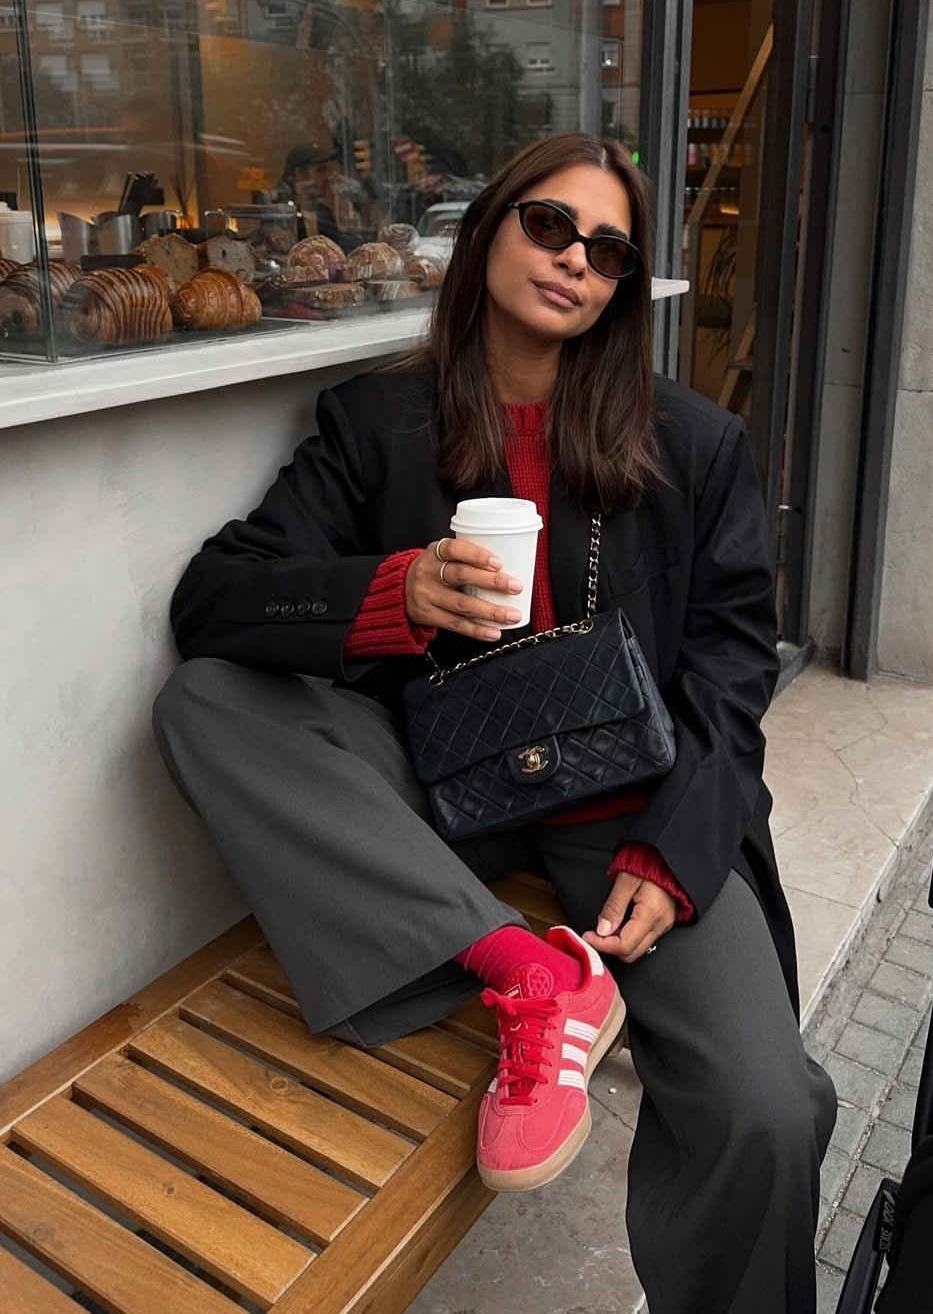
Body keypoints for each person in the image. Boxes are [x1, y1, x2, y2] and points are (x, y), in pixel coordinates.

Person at [153, 132, 836, 1313]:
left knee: (769, 1110)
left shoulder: (696, 445)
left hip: (634, 806)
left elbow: (732, 675)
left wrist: (677, 860)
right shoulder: (376, 423)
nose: (576, 260)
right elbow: (214, 599)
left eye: (609, 250)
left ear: (623, 288)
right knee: (202, 700)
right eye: (550, 225)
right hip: (440, 777)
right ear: (488, 231)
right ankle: (524, 973)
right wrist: (391, 593)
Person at [276, 142, 363, 251]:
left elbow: (346, 246)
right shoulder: (282, 215)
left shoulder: (324, 212)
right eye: (321, 170)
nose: (328, 176)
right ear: (300, 174)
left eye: (328, 170)